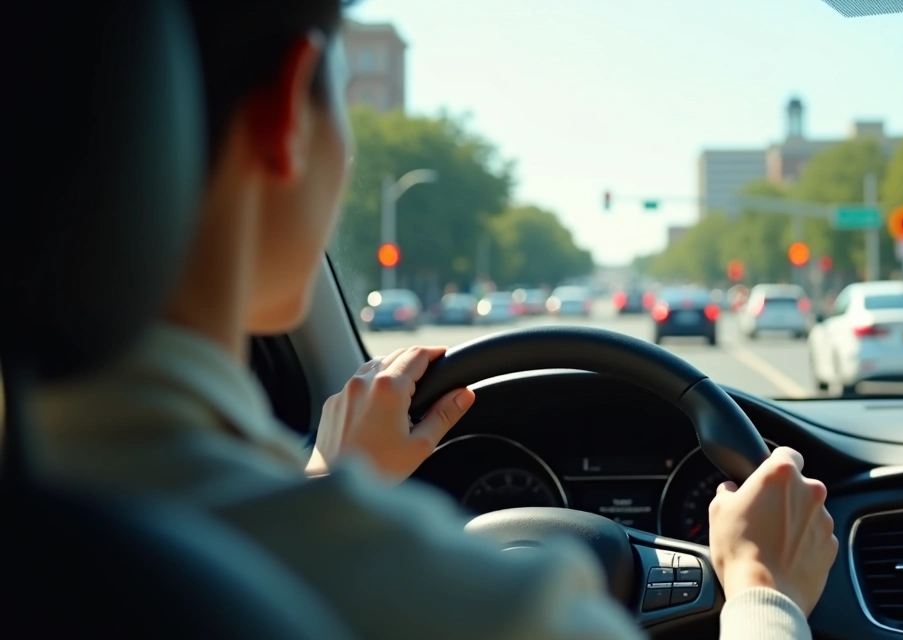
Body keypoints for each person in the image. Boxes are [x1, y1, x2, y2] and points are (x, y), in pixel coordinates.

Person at [34, 1, 837, 640]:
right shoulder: (483, 609)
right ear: (287, 108)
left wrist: (324, 481)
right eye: (344, 94)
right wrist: (763, 595)